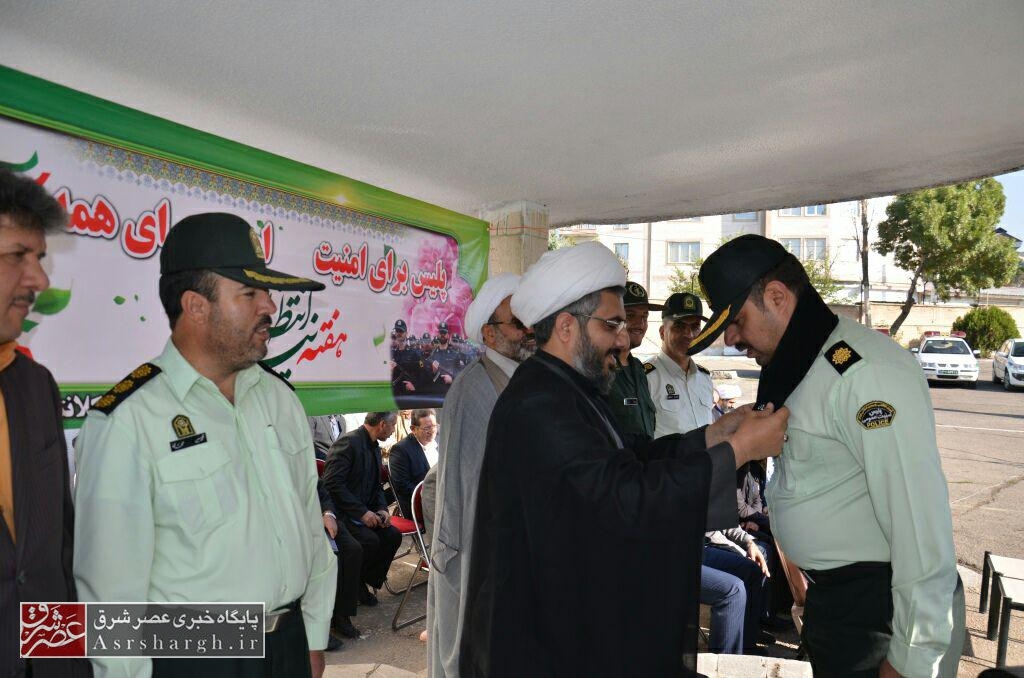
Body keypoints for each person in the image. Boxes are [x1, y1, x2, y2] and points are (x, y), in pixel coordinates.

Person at [459, 241, 790, 677]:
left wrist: (715, 435)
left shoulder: (566, 388)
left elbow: (629, 456)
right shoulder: (539, 402)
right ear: (566, 327)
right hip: (542, 640)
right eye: (612, 323)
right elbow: (623, 497)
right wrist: (740, 450)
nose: (623, 338)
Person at [687, 233, 965, 678]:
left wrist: (913, 659)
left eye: (736, 320)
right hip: (837, 605)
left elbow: (920, 528)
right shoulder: (799, 364)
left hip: (882, 616)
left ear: (777, 297)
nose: (732, 337)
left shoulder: (865, 373)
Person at [73, 212, 337, 678]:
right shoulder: (128, 420)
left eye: (266, 292)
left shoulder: (279, 399)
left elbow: (310, 531)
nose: (270, 307)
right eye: (250, 293)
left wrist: (313, 637)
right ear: (195, 306)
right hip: (195, 657)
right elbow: (109, 596)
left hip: (290, 645)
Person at [0, 169, 91, 677]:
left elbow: (58, 550)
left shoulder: (36, 387)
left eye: (39, 258)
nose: (39, 280)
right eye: (18, 255)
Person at [426, 272, 535, 678]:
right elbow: (464, 490)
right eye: (518, 323)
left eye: (530, 322)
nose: (528, 332)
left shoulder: (526, 380)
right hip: (478, 550)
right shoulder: (471, 389)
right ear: (489, 333)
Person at [322, 412, 403, 607]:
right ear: (382, 424)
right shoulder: (348, 443)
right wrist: (361, 512)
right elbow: (332, 484)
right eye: (393, 425)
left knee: (392, 536)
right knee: (369, 541)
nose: (394, 430)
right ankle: (353, 586)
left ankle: (360, 580)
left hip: (365, 512)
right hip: (343, 513)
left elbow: (376, 486)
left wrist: (382, 509)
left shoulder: (374, 447)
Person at [645, 292, 715, 438]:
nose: (689, 335)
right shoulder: (645, 378)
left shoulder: (704, 377)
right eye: (679, 326)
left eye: (695, 327)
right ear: (662, 332)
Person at [605, 281, 660, 440]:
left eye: (644, 316)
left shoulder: (638, 368)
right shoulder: (599, 368)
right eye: (630, 316)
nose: (640, 324)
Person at [388, 408, 437, 518]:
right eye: (427, 428)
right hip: (420, 505)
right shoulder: (401, 450)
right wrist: (430, 495)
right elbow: (402, 485)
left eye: (434, 426)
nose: (432, 431)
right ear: (413, 429)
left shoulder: (440, 442)